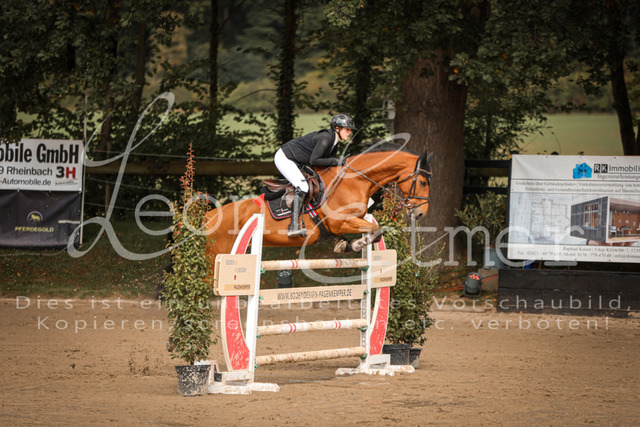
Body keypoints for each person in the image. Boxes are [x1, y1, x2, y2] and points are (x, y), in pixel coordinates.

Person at [274, 113, 356, 237]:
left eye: (350, 130)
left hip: (297, 161)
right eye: (347, 129)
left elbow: (327, 165)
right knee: (303, 187)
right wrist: (336, 161)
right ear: (337, 128)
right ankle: (293, 227)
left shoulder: (334, 143)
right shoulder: (326, 138)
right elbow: (314, 160)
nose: (350, 132)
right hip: (285, 158)